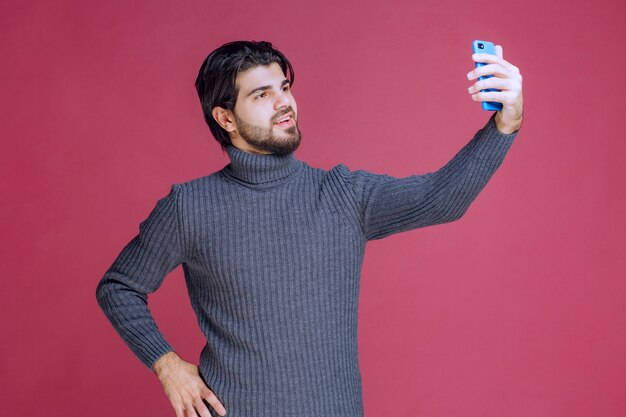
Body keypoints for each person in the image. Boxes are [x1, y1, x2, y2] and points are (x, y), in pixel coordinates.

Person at [96, 40, 523, 417]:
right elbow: (119, 286)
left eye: (284, 87)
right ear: (225, 118)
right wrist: (167, 365)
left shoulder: (341, 194)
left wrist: (505, 124)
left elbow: (442, 198)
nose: (284, 102)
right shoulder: (189, 206)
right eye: (262, 94)